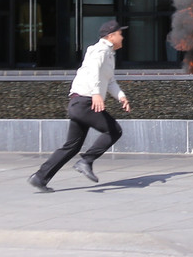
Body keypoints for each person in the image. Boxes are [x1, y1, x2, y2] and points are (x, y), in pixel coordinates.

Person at [28, 19, 132, 191]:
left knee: (72, 145)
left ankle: (40, 177)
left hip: (79, 103)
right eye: (120, 34)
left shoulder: (109, 54)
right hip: (85, 102)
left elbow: (110, 81)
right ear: (111, 36)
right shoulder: (99, 50)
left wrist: (121, 97)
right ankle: (86, 161)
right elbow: (92, 72)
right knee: (114, 130)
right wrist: (96, 93)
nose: (122, 38)